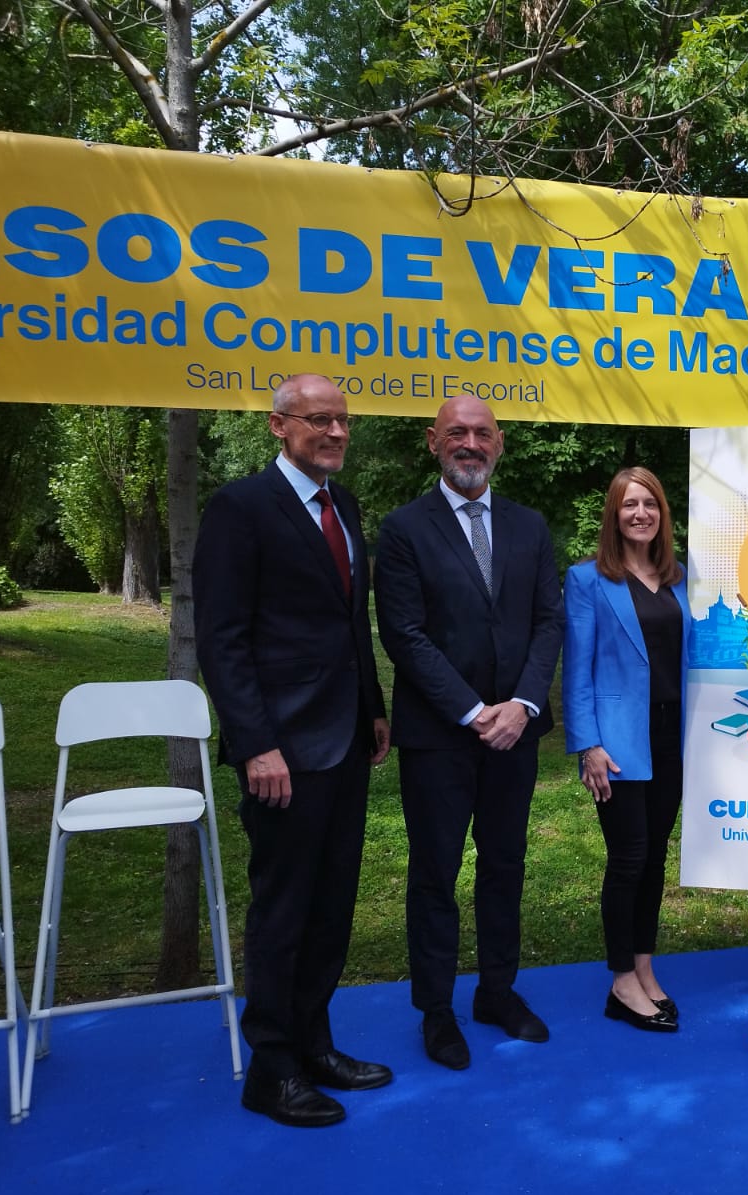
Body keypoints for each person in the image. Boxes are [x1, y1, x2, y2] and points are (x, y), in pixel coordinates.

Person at [193, 373, 392, 1129]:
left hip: (344, 740)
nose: (336, 432)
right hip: (281, 752)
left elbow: (349, 623)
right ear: (279, 426)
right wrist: (255, 745)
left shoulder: (345, 506)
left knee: (331, 905)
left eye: (343, 420)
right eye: (318, 420)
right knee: (283, 911)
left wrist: (373, 708)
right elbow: (223, 639)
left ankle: (314, 1045)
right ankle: (271, 1070)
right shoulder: (240, 508)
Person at [374, 396, 563, 1070]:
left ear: (500, 443)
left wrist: (522, 705)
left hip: (515, 732)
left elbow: (548, 621)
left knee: (505, 866)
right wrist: (472, 710)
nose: (471, 444)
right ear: (434, 442)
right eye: (457, 432)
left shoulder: (529, 526)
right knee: (436, 873)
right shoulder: (403, 529)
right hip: (440, 736)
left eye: (483, 433)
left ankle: (496, 992)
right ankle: (436, 1010)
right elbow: (403, 633)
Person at [562, 468, 690, 1034]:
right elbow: (577, 669)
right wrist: (587, 744)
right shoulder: (587, 579)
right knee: (629, 857)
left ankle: (644, 967)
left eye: (650, 504)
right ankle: (620, 981)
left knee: (655, 856)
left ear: (662, 513)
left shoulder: (682, 579)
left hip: (672, 736)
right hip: (616, 741)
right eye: (629, 504)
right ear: (614, 514)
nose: (641, 513)